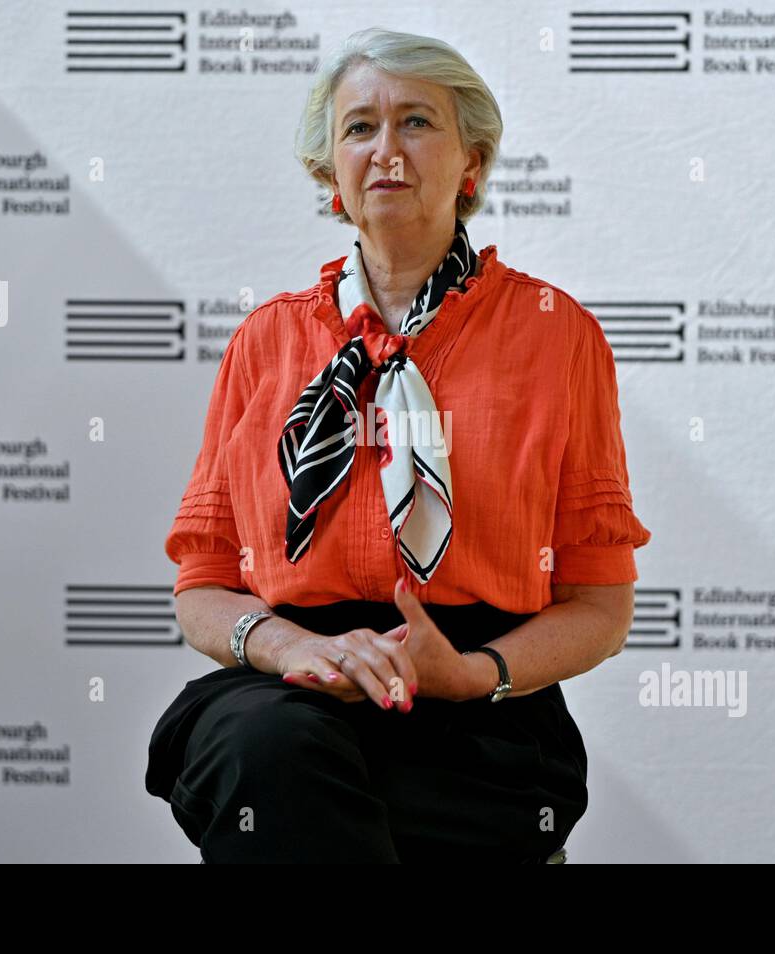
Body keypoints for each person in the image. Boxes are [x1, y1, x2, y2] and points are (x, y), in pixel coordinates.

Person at [144, 27, 652, 863]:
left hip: (482, 700)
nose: (387, 150)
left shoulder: (558, 338)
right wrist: (291, 646)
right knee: (266, 755)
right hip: (294, 685)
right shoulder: (264, 343)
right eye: (359, 128)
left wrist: (469, 672)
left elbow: (602, 608)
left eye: (417, 122)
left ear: (472, 164)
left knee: (358, 804)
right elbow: (202, 586)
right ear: (328, 175)